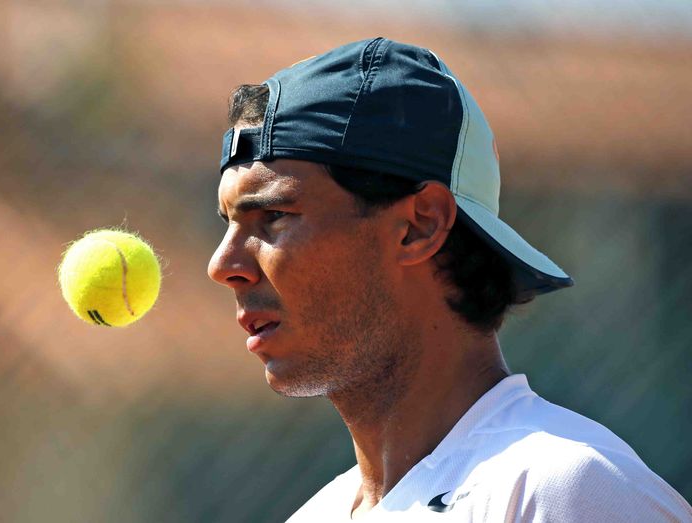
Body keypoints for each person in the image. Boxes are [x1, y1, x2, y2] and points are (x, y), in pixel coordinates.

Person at [207, 38, 692, 522]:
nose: (222, 264)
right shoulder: (317, 514)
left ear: (420, 225)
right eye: (228, 222)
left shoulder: (565, 490)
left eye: (274, 215)